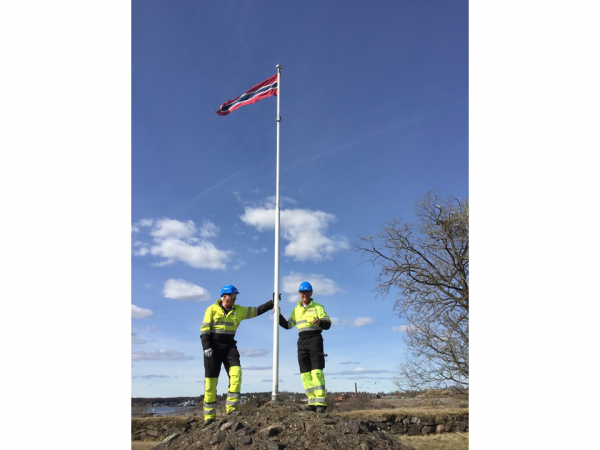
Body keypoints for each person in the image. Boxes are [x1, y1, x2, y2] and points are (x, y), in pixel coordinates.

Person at [200, 284, 274, 426]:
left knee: (236, 373)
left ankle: (232, 409)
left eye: (235, 296)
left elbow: (256, 311)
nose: (235, 298)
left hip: (229, 347)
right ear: (224, 297)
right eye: (232, 296)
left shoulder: (239, 310)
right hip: (213, 348)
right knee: (210, 383)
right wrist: (206, 347)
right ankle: (209, 417)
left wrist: (272, 303)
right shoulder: (211, 310)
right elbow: (204, 330)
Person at [278, 281, 332, 413]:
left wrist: (319, 321)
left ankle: (320, 403)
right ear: (299, 294)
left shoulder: (318, 307)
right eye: (302, 292)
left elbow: (328, 323)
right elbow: (288, 325)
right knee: (305, 373)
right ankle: (312, 403)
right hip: (302, 341)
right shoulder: (296, 309)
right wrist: (278, 315)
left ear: (311, 293)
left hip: (315, 340)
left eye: (307, 292)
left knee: (316, 372)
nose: (304, 295)